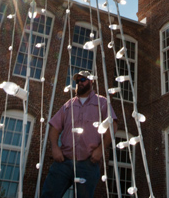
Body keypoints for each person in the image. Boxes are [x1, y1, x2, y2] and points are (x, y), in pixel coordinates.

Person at [41, 70, 117, 198]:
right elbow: (54, 126)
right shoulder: (69, 105)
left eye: (83, 80)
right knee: (49, 195)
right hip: (64, 162)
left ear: (91, 81)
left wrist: (100, 150)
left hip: (88, 163)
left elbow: (113, 125)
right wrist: (54, 147)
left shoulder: (102, 102)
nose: (79, 83)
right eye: (77, 81)